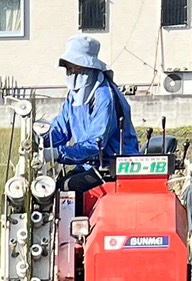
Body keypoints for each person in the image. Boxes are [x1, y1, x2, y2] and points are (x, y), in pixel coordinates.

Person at [46, 36, 140, 210]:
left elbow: (96, 143)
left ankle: (79, 234)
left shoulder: (104, 97)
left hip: (115, 166)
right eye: (68, 67)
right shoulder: (74, 96)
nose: (71, 71)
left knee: (68, 187)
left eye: (74, 66)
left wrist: (58, 153)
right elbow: (60, 129)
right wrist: (41, 139)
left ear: (88, 66)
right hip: (91, 164)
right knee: (54, 185)